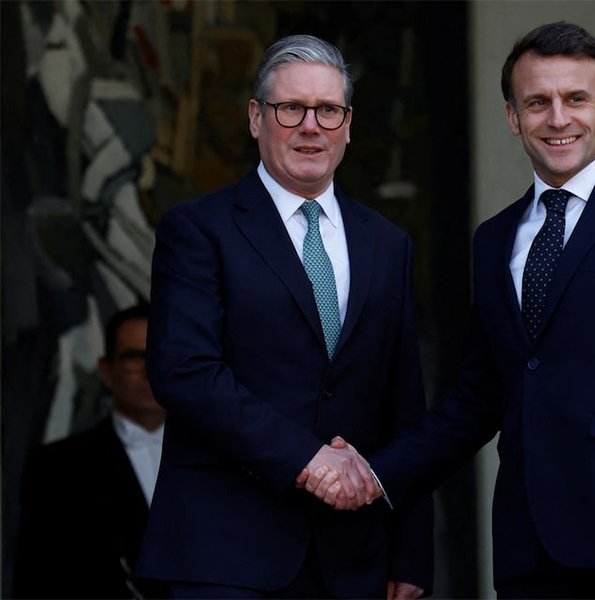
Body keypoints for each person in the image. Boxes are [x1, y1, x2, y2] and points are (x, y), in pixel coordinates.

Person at [304, 22, 595, 599]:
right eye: (537, 102)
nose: (557, 118)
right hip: (530, 550)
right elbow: (477, 399)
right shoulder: (494, 238)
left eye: (575, 99)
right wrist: (377, 473)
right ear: (513, 116)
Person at [136, 34, 432, 599]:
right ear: (256, 118)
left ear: (348, 124)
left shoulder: (387, 243)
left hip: (353, 560)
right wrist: (307, 458)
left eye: (328, 110)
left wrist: (412, 552)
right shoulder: (198, 229)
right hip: (225, 555)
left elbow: (403, 404)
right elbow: (185, 371)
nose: (311, 126)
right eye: (291, 108)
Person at [14, 304, 169, 599]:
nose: (150, 370)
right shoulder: (55, 467)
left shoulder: (224, 459)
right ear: (107, 371)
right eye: (134, 357)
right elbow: (36, 580)